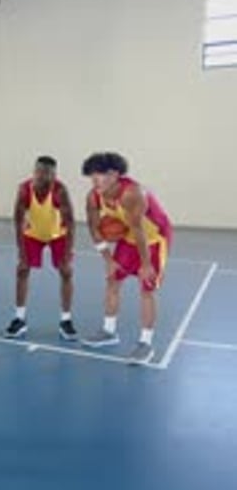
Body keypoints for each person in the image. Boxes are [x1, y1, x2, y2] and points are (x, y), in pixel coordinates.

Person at [80, 151, 172, 364]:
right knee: (112, 280)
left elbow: (140, 230)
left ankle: (145, 344)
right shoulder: (93, 196)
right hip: (131, 235)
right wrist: (108, 260)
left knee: (146, 288)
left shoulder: (132, 194)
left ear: (114, 174)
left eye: (99, 175)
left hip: (154, 237)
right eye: (91, 176)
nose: (94, 180)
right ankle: (109, 331)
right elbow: (94, 228)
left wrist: (146, 264)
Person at [5, 156, 76, 340]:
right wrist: (21, 252)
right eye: (39, 172)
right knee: (22, 270)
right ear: (34, 172)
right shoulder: (24, 189)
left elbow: (70, 222)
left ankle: (66, 320)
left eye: (48, 173)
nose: (42, 176)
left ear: (54, 175)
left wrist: (68, 252)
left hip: (58, 234)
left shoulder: (60, 190)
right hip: (33, 234)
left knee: (66, 272)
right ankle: (19, 318)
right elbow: (18, 221)